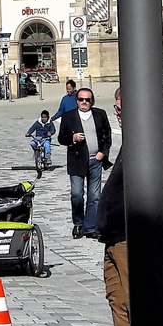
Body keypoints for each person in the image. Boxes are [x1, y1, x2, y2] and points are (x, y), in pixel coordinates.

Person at [88, 90, 132, 326]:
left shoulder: (149, 143)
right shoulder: (131, 142)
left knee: (134, 301)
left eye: (120, 107)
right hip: (113, 237)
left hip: (129, 238)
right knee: (117, 299)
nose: (116, 112)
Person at [57, 85, 113, 239]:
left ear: (91, 101)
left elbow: (107, 136)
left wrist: (103, 152)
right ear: (77, 101)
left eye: (87, 100)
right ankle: (78, 224)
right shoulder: (69, 117)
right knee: (77, 194)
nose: (84, 102)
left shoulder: (100, 114)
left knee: (94, 196)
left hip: (96, 160)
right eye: (81, 99)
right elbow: (61, 138)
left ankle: (91, 227)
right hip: (76, 161)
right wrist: (73, 139)